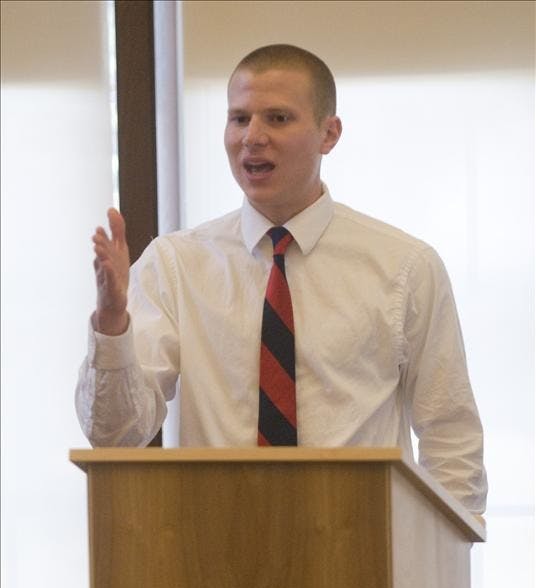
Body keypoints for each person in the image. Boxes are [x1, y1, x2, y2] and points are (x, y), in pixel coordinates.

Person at [76, 44, 487, 516]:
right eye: (239, 118)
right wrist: (112, 326)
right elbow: (115, 434)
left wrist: (437, 550)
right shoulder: (175, 265)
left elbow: (451, 435)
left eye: (277, 118)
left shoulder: (405, 266)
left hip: (359, 543)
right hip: (211, 545)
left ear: (329, 134)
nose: (252, 137)